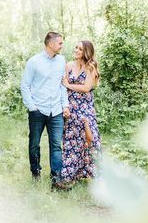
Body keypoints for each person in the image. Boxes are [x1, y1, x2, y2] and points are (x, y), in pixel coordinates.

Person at [20, 32, 71, 190]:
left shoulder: (61, 60)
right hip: (38, 110)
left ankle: (56, 179)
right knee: (34, 144)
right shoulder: (34, 62)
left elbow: (61, 85)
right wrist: (32, 108)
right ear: (50, 44)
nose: (62, 45)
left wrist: (65, 105)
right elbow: (25, 86)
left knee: (56, 145)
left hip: (56, 110)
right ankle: (36, 173)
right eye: (60, 43)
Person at [61, 40, 101, 185]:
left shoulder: (91, 67)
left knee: (91, 139)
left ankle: (95, 173)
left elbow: (86, 88)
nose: (76, 50)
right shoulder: (68, 66)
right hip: (71, 107)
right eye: (76, 47)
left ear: (86, 52)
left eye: (80, 49)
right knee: (72, 140)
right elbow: (62, 86)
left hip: (85, 108)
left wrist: (68, 85)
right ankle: (72, 173)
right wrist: (64, 105)